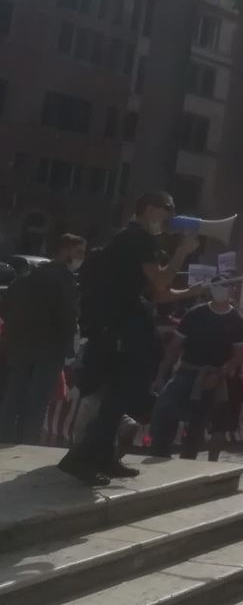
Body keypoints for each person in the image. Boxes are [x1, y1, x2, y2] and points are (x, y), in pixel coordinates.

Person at [59, 192, 202, 485]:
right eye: (168, 209)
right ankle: (81, 459)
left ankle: (104, 457)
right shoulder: (139, 239)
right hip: (123, 331)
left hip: (117, 329)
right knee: (119, 397)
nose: (171, 216)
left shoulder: (128, 239)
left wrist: (196, 292)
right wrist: (182, 252)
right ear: (150, 209)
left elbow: (158, 293)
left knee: (119, 397)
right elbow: (162, 281)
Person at [148, 279, 243, 461]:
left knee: (202, 423)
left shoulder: (238, 321)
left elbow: (239, 356)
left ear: (233, 289)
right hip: (187, 372)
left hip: (216, 377)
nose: (221, 290)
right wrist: (161, 375)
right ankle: (159, 453)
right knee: (164, 407)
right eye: (217, 285)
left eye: (226, 285)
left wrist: (218, 375)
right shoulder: (195, 314)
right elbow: (174, 347)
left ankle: (194, 462)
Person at [0, 233, 83, 444]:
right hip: (48, 348)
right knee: (37, 400)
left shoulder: (26, 277)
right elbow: (67, 316)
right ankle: (27, 444)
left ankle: (5, 437)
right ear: (64, 251)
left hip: (19, 345)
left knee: (13, 395)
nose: (81, 257)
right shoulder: (64, 281)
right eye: (79, 252)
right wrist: (69, 349)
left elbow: (7, 306)